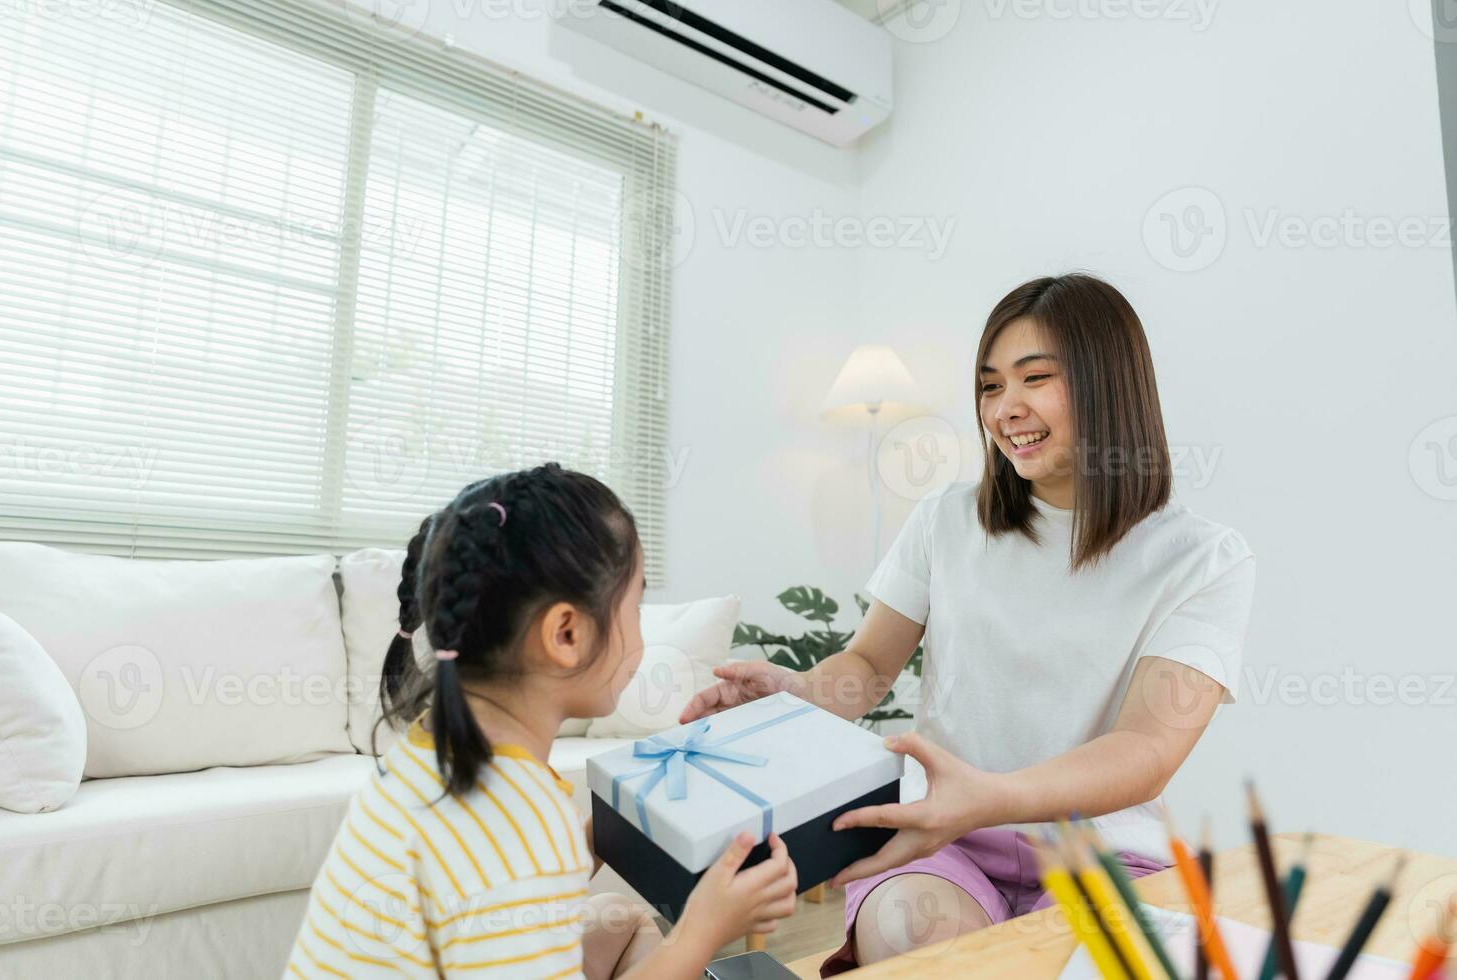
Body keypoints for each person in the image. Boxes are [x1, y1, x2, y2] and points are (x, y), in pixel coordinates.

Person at [680, 274, 1256, 973]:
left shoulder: (1201, 558)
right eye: (989, 387)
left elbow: (1146, 747)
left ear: (1110, 384)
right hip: (941, 841)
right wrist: (793, 694)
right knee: (919, 941)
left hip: (1104, 856)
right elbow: (866, 669)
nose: (1004, 409)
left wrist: (989, 797)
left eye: (1034, 379)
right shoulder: (945, 520)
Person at [286, 463, 798, 979]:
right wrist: (702, 929)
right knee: (657, 938)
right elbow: (512, 861)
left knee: (619, 919)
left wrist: (605, 831)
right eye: (636, 605)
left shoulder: (430, 750)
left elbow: (498, 886)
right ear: (567, 634)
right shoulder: (519, 821)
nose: (641, 632)